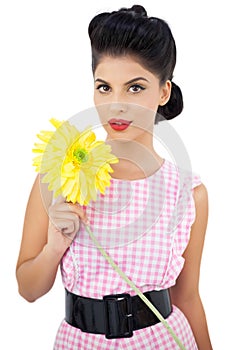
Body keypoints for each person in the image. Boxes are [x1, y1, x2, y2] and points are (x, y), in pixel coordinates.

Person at [16, 5, 213, 349]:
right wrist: (54, 247)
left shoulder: (189, 192)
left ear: (163, 92)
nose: (116, 105)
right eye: (104, 87)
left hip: (164, 341)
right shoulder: (59, 175)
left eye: (135, 88)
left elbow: (189, 297)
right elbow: (28, 289)